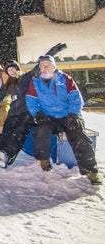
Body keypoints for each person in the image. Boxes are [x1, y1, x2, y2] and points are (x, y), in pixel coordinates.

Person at [0, 44, 66, 168]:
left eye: (14, 69)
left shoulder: (26, 78)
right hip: (12, 114)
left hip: (26, 113)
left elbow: (38, 66)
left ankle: (8, 156)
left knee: (18, 135)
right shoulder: (6, 86)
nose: (12, 71)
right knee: (5, 134)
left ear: (18, 69)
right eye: (9, 70)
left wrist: (53, 51)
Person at [25, 55, 102, 184]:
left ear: (54, 66)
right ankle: (44, 160)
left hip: (68, 115)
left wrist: (74, 114)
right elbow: (31, 101)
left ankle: (91, 171)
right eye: (42, 65)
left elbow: (76, 98)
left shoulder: (65, 79)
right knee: (40, 131)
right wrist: (37, 113)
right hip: (49, 116)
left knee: (79, 136)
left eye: (48, 65)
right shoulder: (35, 81)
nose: (45, 67)